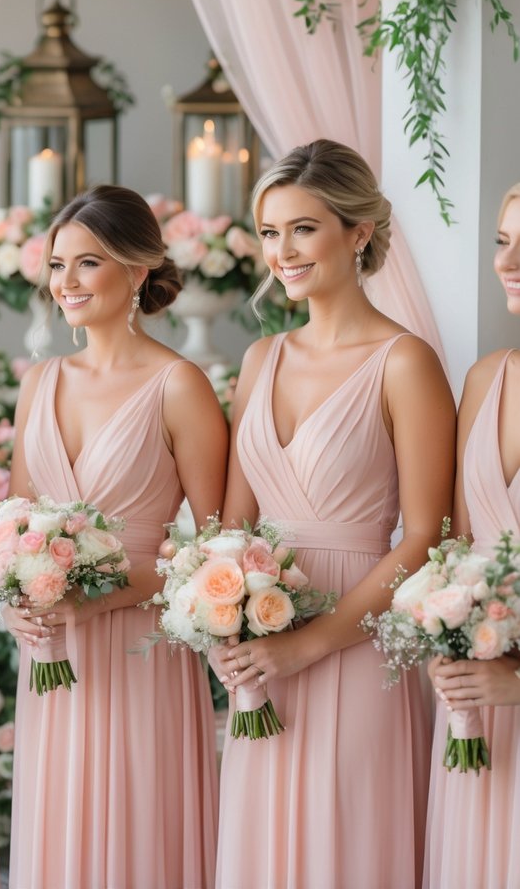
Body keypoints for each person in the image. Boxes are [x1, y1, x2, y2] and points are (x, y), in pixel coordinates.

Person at [213, 141, 455, 889]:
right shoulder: (260, 360)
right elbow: (232, 528)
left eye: (302, 229)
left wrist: (312, 643)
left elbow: (426, 537)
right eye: (269, 232)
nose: (281, 252)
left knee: (344, 847)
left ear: (358, 233)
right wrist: (222, 621)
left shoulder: (404, 361)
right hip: (262, 646)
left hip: (356, 642)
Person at [5, 185, 226, 889]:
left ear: (137, 269)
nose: (65, 282)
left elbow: (214, 551)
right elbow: (12, 525)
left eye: (87, 263)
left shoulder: (177, 385)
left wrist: (98, 598)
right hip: (49, 650)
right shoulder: (39, 382)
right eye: (57, 264)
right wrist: (13, 599)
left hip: (137, 651)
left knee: (136, 833)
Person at [425, 182, 520, 889]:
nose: (507, 263)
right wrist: (443, 641)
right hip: (474, 709)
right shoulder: (485, 380)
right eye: (501, 242)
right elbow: (453, 555)